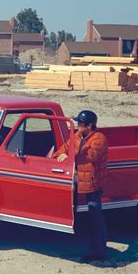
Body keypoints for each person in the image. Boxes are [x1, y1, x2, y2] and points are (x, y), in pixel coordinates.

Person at [53, 110, 108, 262]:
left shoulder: (99, 139)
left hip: (92, 182)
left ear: (90, 125)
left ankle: (99, 251)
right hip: (76, 179)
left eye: (81, 124)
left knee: (95, 216)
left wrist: (70, 155)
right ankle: (79, 244)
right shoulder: (77, 136)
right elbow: (63, 148)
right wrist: (59, 155)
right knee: (72, 211)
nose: (77, 125)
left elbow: (90, 156)